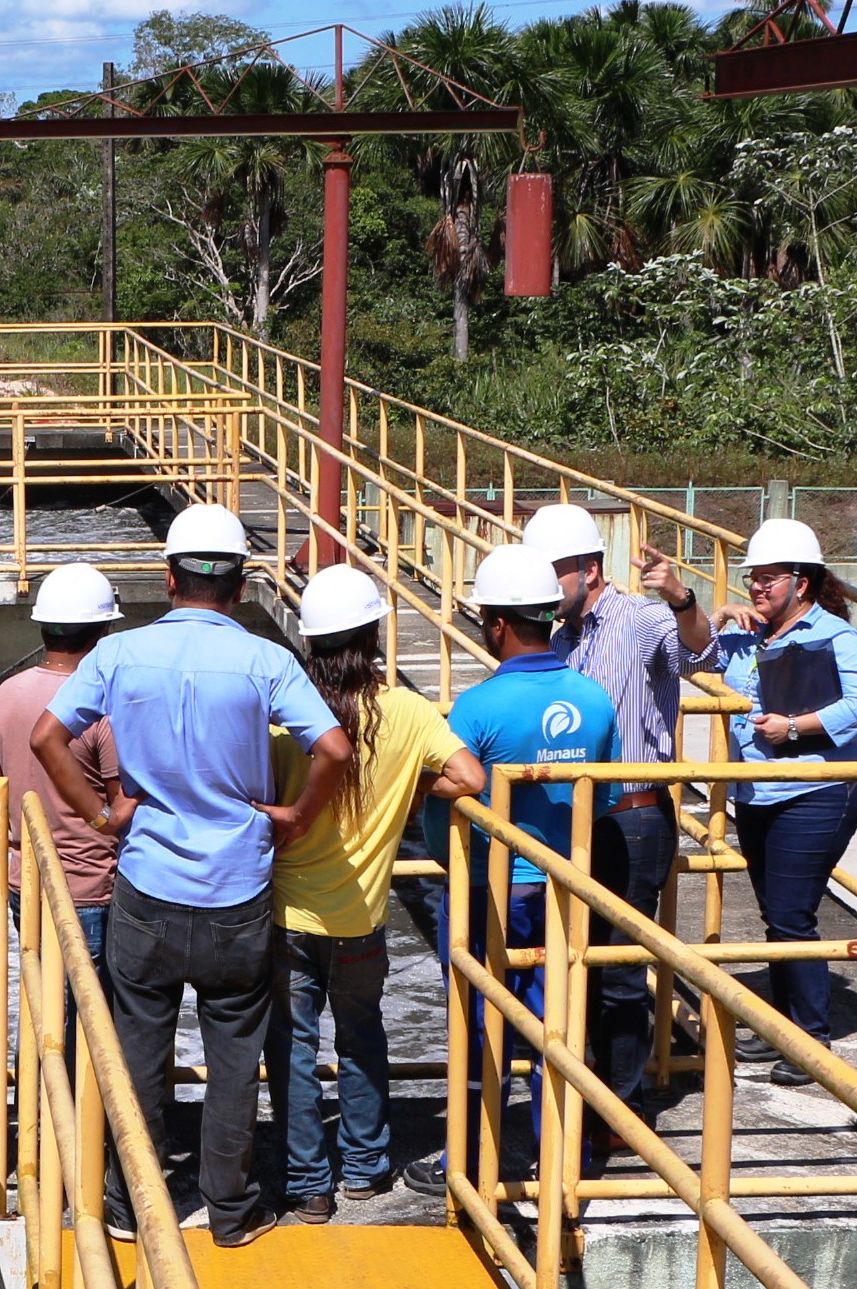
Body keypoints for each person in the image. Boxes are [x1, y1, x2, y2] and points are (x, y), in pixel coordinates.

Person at [32, 504, 352, 1249]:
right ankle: (233, 1210)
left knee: (139, 1049)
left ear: (169, 577)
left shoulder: (118, 656)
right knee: (235, 1054)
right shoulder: (265, 659)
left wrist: (104, 815)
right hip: (237, 889)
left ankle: (132, 1202)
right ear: (239, 587)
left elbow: (48, 737)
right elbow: (333, 748)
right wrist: (297, 816)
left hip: (146, 885)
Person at [267, 565, 483, 1220]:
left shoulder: (287, 714)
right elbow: (470, 776)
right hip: (361, 915)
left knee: (293, 1046)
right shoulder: (410, 713)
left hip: (286, 912)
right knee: (361, 1037)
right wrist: (412, 791)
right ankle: (364, 1168)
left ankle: (308, 1184)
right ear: (373, 634)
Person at [406, 542, 617, 1197]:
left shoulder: (477, 708)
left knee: (476, 1026)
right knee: (559, 1025)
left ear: (496, 623)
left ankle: (469, 1155)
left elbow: (449, 793)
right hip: (564, 887)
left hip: (486, 892)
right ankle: (570, 1155)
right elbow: (601, 797)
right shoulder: (594, 698)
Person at [529, 500, 719, 1119]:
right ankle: (587, 1094)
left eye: (551, 571)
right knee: (578, 963)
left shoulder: (638, 618)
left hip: (632, 817)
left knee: (616, 971)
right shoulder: (559, 638)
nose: (542, 586)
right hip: (574, 816)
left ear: (588, 569)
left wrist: (684, 600)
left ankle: (622, 1111)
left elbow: (700, 653)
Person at [703, 518, 857, 1084]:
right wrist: (712, 620)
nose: (758, 588)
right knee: (776, 914)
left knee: (790, 914)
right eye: (753, 578)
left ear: (801, 583)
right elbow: (686, 662)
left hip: (819, 791)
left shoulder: (835, 637)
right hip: (756, 793)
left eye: (770, 578)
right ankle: (784, 1026)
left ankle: (810, 1041)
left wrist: (798, 727)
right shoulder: (744, 638)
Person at [0, 563, 127, 966]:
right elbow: (120, 809)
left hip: (24, 882)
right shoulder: (102, 705)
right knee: (87, 1022)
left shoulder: (4, 695)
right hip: (89, 890)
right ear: (103, 632)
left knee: (41, 1012)